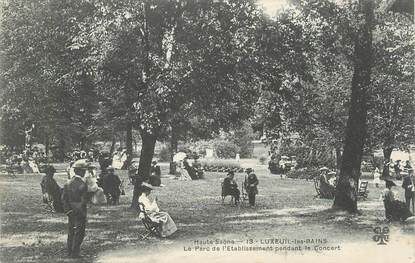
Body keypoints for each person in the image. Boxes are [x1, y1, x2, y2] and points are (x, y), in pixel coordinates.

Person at [61, 160, 89, 258]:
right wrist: (82, 212)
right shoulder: (83, 184)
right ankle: (75, 252)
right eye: (84, 170)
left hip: (70, 210)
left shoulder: (67, 183)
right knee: (79, 232)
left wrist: (67, 210)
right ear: (80, 171)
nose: (85, 172)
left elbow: (64, 199)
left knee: (71, 231)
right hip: (79, 211)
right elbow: (84, 200)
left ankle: (69, 251)